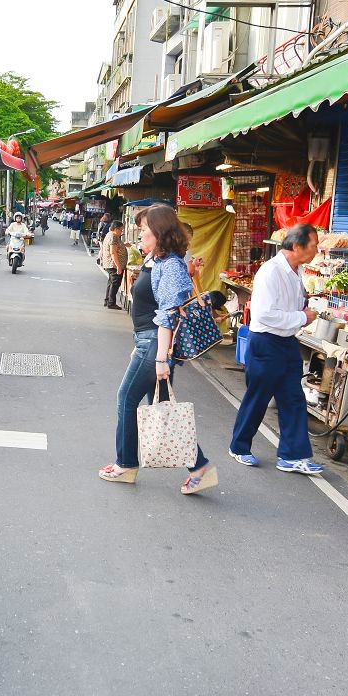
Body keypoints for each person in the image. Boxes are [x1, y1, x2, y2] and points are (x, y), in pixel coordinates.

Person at [100, 205, 218, 495]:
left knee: (126, 398)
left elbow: (167, 316)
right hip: (148, 341)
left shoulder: (172, 266)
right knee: (163, 405)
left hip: (155, 343)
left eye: (144, 230)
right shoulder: (159, 261)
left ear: (160, 232)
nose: (140, 235)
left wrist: (161, 357)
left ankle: (126, 464)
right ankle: (199, 466)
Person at [229, 224, 323, 475]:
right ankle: (239, 447)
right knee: (258, 397)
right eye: (313, 244)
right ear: (296, 246)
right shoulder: (271, 272)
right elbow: (266, 315)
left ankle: (292, 456)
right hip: (266, 342)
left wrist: (300, 317)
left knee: (293, 398)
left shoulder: (296, 271)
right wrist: (302, 317)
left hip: (287, 342)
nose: (316, 249)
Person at [100, 221, 127, 309]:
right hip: (113, 264)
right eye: (121, 230)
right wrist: (118, 266)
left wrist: (124, 245)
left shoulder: (110, 234)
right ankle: (111, 303)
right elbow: (113, 252)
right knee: (115, 284)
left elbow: (115, 247)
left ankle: (107, 301)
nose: (122, 232)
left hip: (110, 264)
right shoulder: (114, 237)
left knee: (111, 283)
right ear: (116, 229)